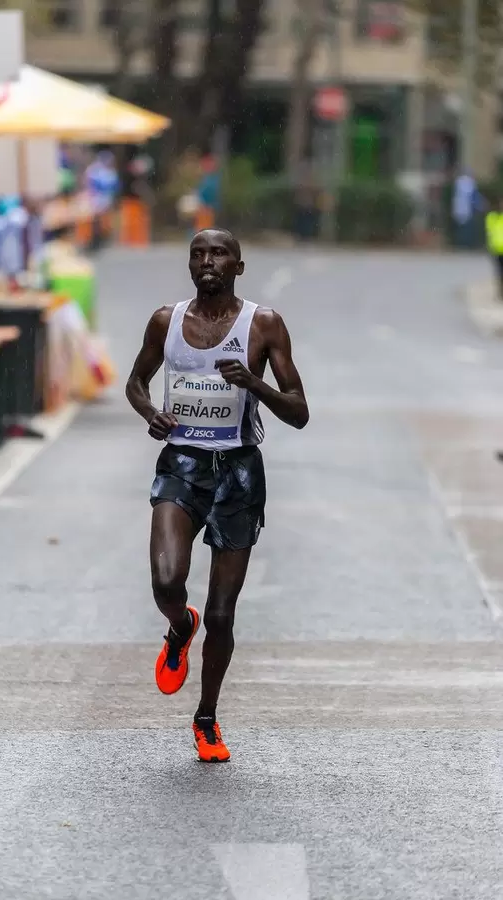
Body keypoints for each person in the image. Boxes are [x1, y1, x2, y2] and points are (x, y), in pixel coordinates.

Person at [126, 228, 309, 763]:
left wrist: (254, 384)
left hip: (238, 474)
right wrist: (149, 413)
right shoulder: (167, 321)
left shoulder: (264, 325)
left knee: (224, 615)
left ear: (238, 266)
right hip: (181, 465)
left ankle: (205, 717)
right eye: (197, 254)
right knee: (166, 581)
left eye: (219, 254)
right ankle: (180, 626)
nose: (207, 262)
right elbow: (136, 382)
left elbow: (299, 411)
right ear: (189, 264)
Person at [485, 197, 503, 300]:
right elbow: (489, 233)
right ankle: (500, 292)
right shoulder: (491, 217)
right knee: (499, 272)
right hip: (496, 250)